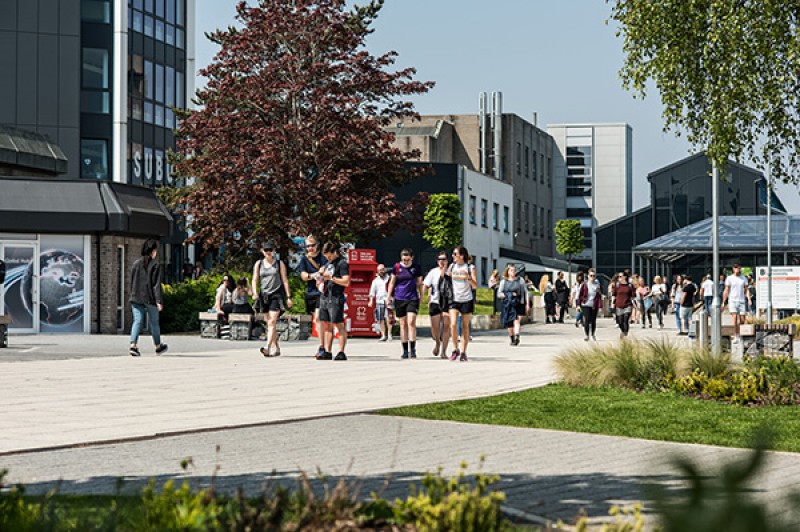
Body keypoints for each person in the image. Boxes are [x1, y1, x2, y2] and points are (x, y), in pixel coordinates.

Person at [252, 241, 293, 358]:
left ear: (274, 251)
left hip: (277, 294)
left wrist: (289, 296)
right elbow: (254, 279)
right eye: (266, 250)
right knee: (269, 323)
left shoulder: (279, 264)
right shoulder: (259, 264)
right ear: (262, 251)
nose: (268, 252)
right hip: (264, 295)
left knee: (272, 322)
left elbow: (285, 280)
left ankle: (267, 347)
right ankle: (276, 347)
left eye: (270, 250)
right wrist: (255, 293)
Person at [129, 239, 168, 357]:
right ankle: (158, 346)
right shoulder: (155, 265)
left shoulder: (136, 263)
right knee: (154, 323)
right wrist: (159, 301)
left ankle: (133, 345)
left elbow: (132, 281)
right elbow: (156, 285)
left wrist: (132, 294)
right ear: (153, 251)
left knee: (137, 321)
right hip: (149, 298)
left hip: (136, 297)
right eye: (156, 250)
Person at [316, 241, 350, 360]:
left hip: (336, 296)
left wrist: (331, 278)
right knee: (327, 324)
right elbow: (320, 279)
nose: (328, 258)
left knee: (339, 324)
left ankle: (341, 351)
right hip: (325, 296)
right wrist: (320, 278)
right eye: (326, 256)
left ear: (335, 252)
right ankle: (328, 351)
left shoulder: (342, 264)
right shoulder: (327, 264)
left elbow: (346, 281)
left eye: (329, 256)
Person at [387, 248, 423, 359]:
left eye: (407, 259)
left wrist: (421, 296)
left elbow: (420, 283)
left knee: (411, 321)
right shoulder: (396, 267)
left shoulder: (416, 268)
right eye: (404, 259)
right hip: (399, 297)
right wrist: (388, 296)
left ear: (412, 258)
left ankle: (413, 348)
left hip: (412, 297)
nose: (405, 262)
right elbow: (392, 282)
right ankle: (405, 350)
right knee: (402, 324)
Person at [296, 235, 328, 358]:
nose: (310, 248)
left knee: (318, 318)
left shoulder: (323, 258)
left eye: (312, 245)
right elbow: (303, 276)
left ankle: (322, 346)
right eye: (308, 246)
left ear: (317, 245)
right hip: (310, 292)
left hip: (321, 292)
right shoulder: (304, 259)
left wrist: (319, 274)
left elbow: (325, 271)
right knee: (315, 318)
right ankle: (323, 344)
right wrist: (314, 275)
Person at [447, 246, 477, 361]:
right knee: (453, 324)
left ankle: (464, 351)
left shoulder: (470, 267)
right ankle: (455, 349)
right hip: (454, 299)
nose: (453, 256)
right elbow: (447, 278)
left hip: (466, 299)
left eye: (455, 254)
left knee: (465, 326)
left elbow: (475, 286)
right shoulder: (452, 266)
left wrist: (468, 277)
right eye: (453, 254)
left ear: (462, 256)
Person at [422, 252, 451, 358]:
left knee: (446, 326)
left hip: (448, 302)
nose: (441, 261)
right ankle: (438, 342)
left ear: (447, 260)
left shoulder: (451, 271)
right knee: (435, 327)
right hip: (435, 301)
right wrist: (421, 296)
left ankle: (444, 351)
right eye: (439, 259)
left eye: (443, 259)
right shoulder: (433, 272)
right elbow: (425, 285)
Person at [498, 264, 529, 345]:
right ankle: (512, 338)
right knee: (509, 323)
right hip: (508, 304)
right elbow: (499, 293)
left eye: (514, 270)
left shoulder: (520, 280)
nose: (513, 272)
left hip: (518, 303)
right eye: (511, 270)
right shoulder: (503, 282)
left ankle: (517, 336)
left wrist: (527, 303)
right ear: (507, 272)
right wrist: (506, 295)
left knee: (517, 320)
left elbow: (525, 292)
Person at [722, 263, 751, 344]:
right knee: (734, 317)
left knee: (742, 319)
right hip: (732, 300)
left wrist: (749, 299)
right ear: (733, 269)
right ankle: (736, 335)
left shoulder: (743, 278)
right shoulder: (729, 278)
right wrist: (723, 302)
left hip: (741, 300)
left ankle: (739, 333)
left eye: (738, 267)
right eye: (735, 268)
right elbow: (726, 290)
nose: (737, 269)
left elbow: (746, 289)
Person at [368, 264, 392, 342]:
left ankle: (389, 334)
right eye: (379, 270)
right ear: (377, 271)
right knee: (380, 319)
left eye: (382, 269)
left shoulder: (390, 279)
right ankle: (383, 335)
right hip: (379, 301)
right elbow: (372, 292)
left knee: (388, 318)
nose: (381, 271)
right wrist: (371, 300)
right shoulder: (375, 281)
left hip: (388, 300)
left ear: (385, 269)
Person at [577, 270, 602, 341]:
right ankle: (587, 335)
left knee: (593, 320)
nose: (592, 277)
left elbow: (599, 296)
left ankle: (593, 334)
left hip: (594, 305)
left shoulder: (597, 285)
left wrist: (600, 306)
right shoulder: (585, 284)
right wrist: (578, 305)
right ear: (588, 276)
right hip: (585, 304)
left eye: (594, 276)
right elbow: (580, 295)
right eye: (591, 276)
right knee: (587, 320)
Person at [612, 271, 635, 339]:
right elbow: (614, 295)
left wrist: (635, 304)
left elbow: (633, 295)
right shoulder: (617, 285)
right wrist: (612, 305)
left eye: (621, 276)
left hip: (627, 305)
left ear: (625, 277)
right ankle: (623, 331)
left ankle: (625, 333)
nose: (619, 278)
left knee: (625, 319)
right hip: (619, 305)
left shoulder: (630, 285)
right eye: (619, 277)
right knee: (620, 321)